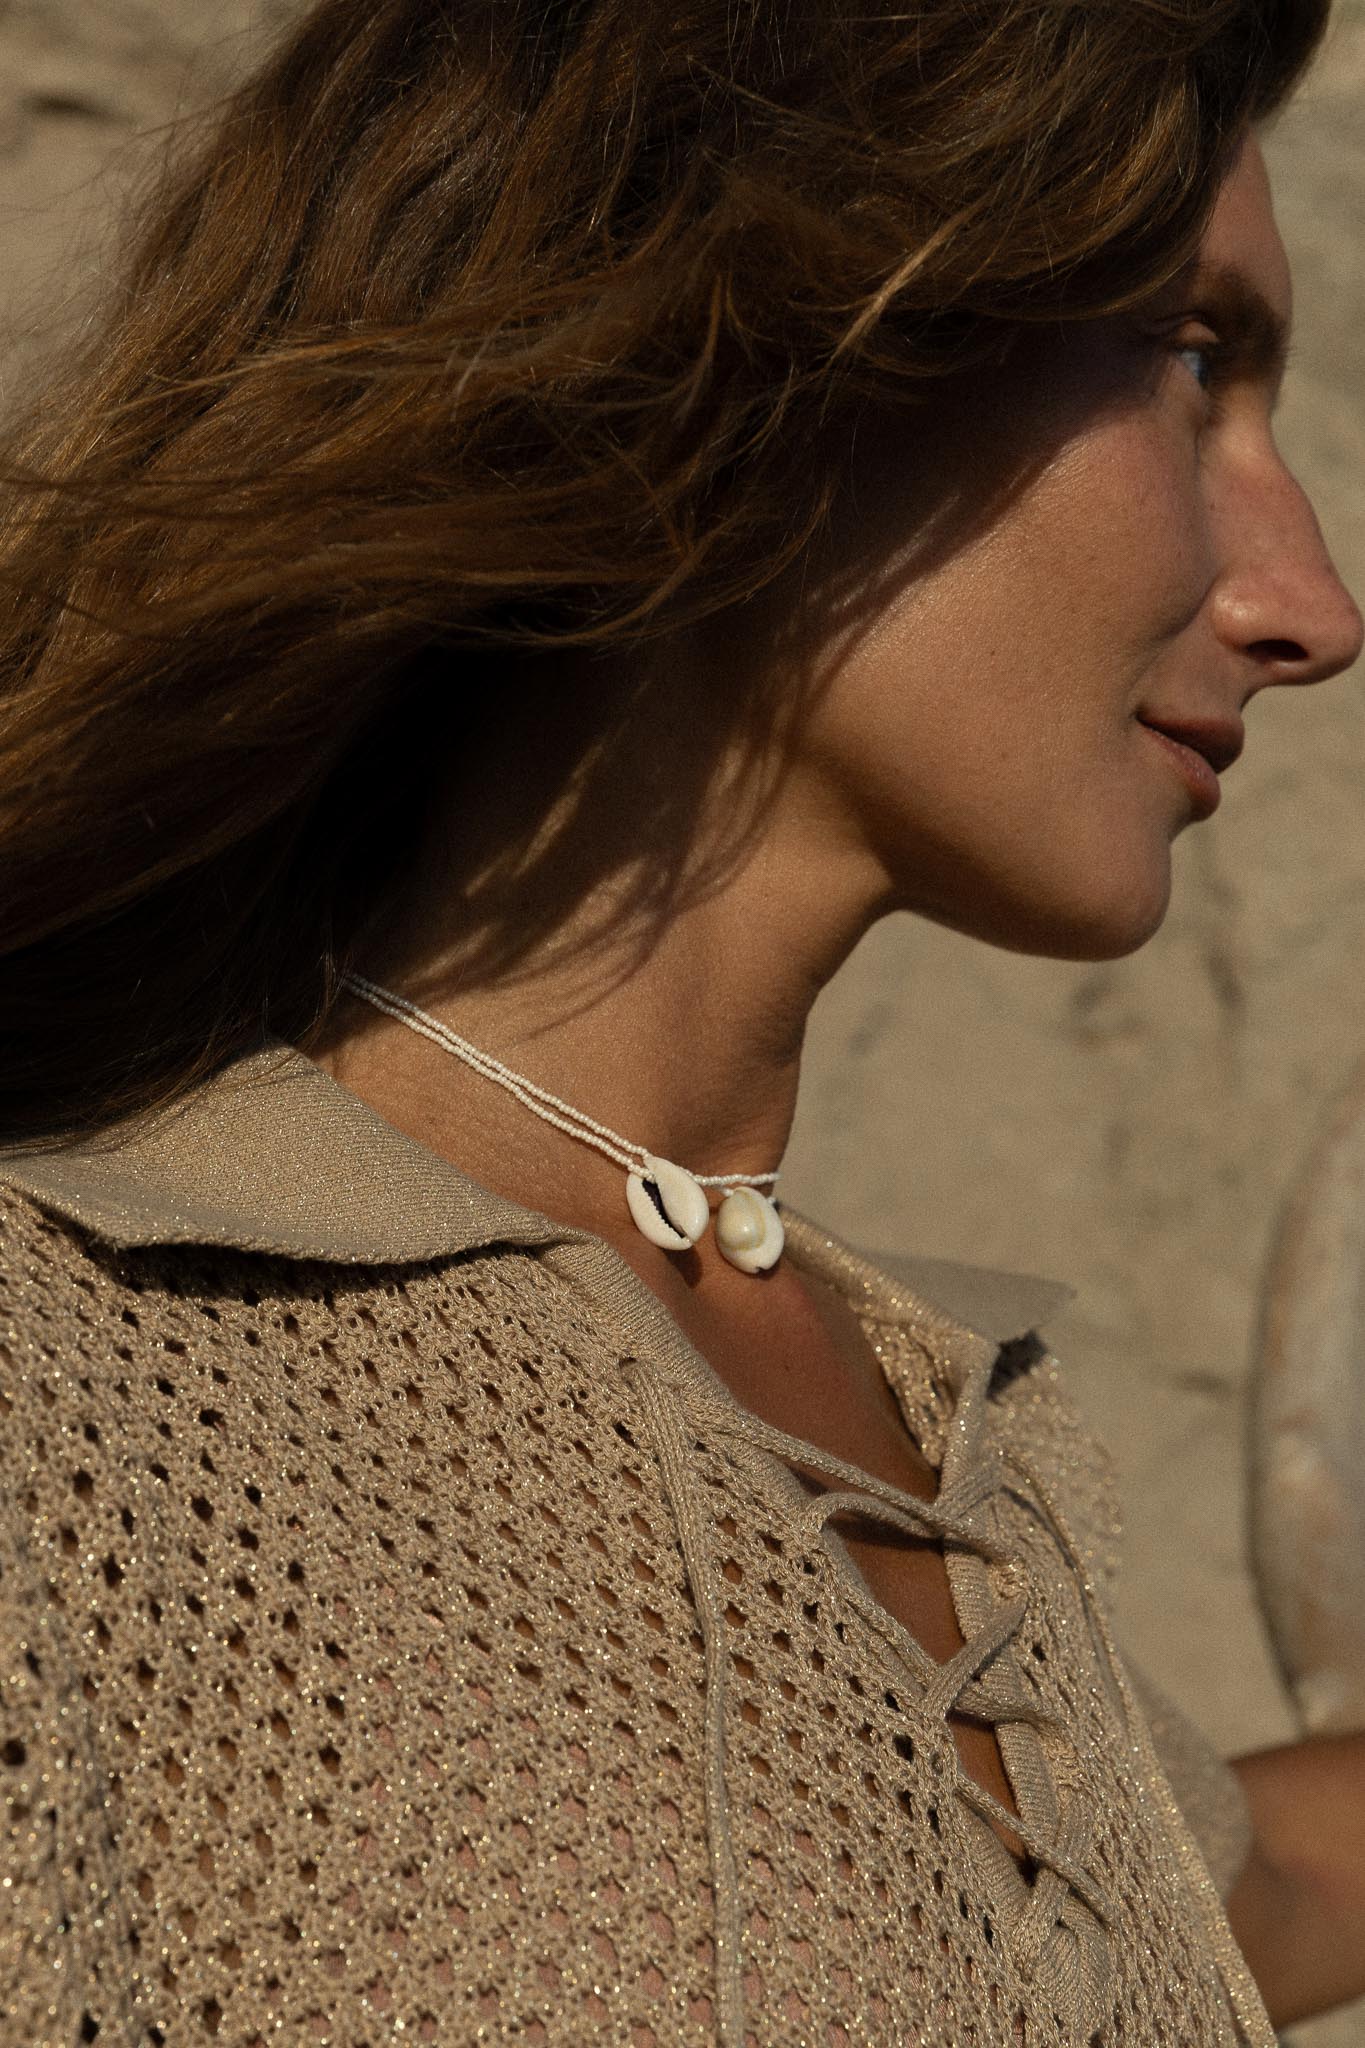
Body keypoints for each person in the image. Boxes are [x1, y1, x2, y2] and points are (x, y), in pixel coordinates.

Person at [0, 0, 1362, 2040]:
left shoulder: (954, 1444)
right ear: (780, 333)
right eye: (1188, 362)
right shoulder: (76, 1401)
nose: (1310, 606)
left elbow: (1198, 1904)